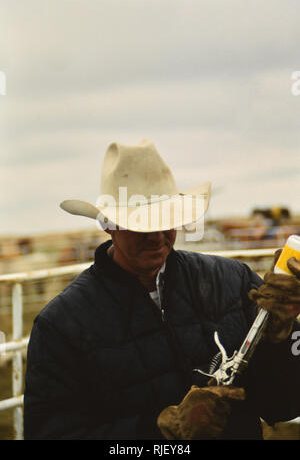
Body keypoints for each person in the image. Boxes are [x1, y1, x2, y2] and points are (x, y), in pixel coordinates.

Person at [24, 140, 300, 440]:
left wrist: (280, 335)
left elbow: (284, 405)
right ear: (108, 225)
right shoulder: (61, 326)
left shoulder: (233, 281)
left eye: (167, 221)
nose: (156, 237)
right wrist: (163, 431)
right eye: (140, 224)